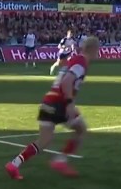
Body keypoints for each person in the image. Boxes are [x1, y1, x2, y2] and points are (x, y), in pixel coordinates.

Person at [6, 36, 100, 180]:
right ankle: (60, 161)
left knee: (44, 140)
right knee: (81, 129)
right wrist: (69, 102)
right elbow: (67, 81)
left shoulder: (73, 60)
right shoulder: (81, 62)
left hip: (48, 101)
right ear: (93, 50)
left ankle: (14, 164)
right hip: (60, 103)